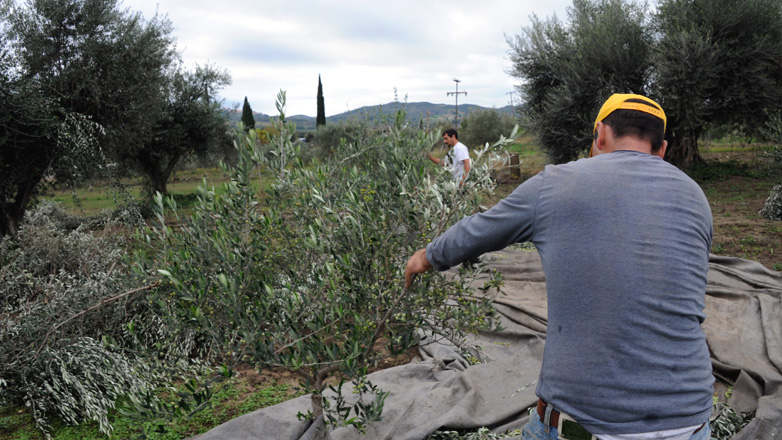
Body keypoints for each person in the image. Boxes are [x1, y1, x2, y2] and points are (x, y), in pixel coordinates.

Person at [405, 94, 714, 440]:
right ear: (662, 149)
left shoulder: (557, 183)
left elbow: (478, 230)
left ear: (599, 136)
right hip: (691, 419)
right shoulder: (696, 198)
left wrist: (425, 257)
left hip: (586, 421)